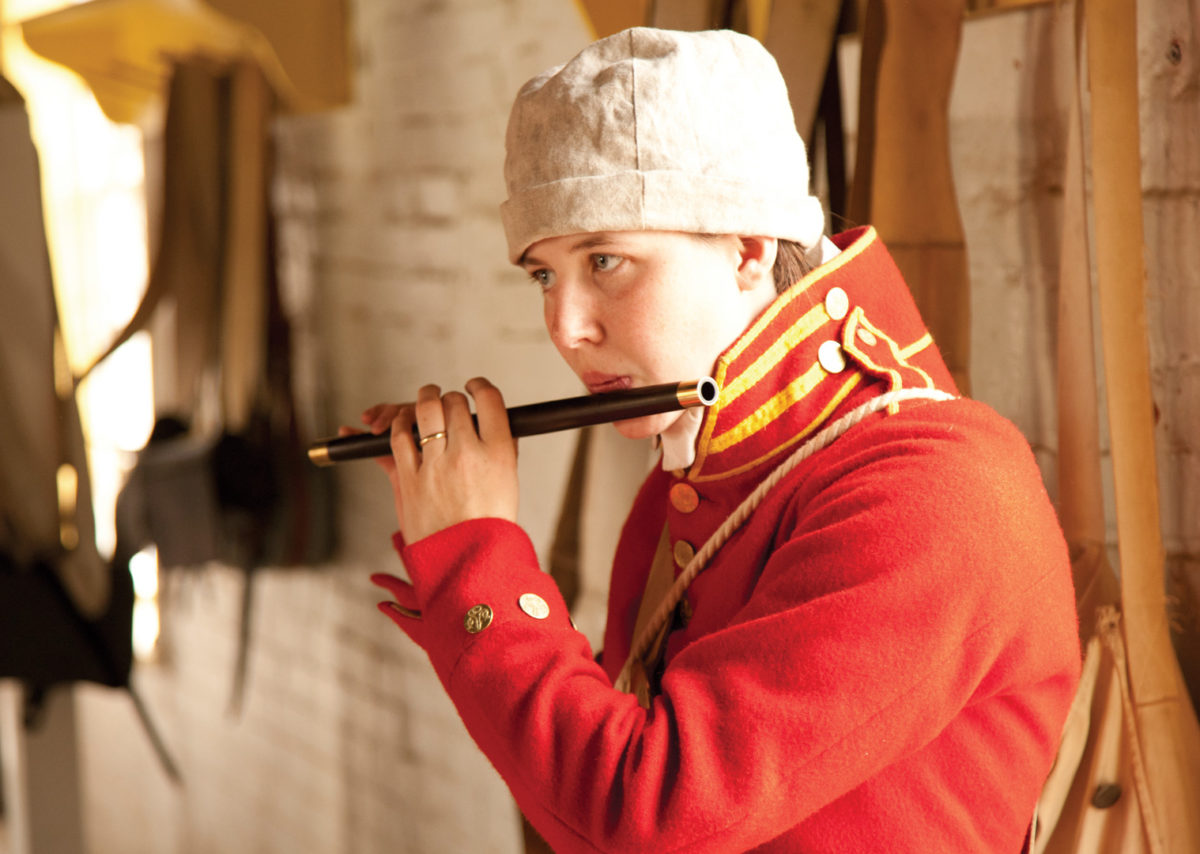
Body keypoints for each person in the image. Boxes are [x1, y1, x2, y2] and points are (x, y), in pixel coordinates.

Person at [359, 27, 1080, 852]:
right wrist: (460, 561)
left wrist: (474, 559)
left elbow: (650, 812)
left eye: (607, 261)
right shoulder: (702, 475)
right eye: (544, 274)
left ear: (746, 248)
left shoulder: (937, 492)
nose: (565, 326)